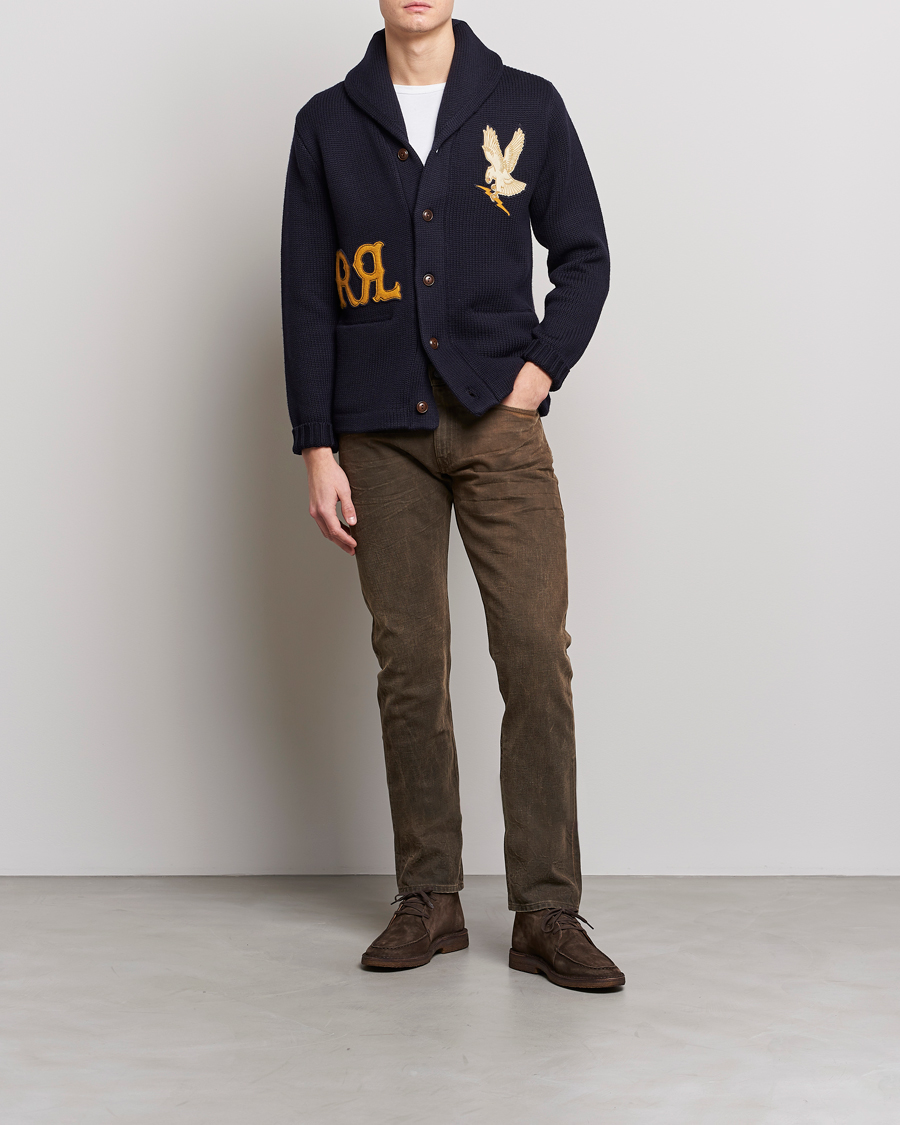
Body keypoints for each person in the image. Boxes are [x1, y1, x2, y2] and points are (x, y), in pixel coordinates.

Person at [280, 0, 624, 990]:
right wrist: (316, 446)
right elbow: (306, 293)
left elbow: (586, 256)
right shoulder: (329, 122)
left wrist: (537, 374)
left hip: (497, 424)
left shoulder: (526, 105)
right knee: (410, 663)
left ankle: (547, 911)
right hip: (376, 434)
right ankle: (428, 897)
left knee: (534, 652)